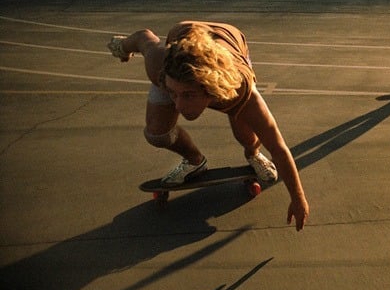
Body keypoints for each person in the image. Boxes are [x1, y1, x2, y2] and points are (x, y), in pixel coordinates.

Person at [107, 21, 309, 231]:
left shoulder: (240, 91)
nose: (178, 106)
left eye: (188, 96)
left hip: (230, 42)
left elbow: (278, 148)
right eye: (173, 94)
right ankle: (195, 160)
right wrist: (123, 47)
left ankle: (253, 154)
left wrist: (298, 199)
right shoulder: (159, 64)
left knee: (246, 136)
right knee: (157, 134)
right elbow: (143, 38)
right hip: (181, 41)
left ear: (210, 90)